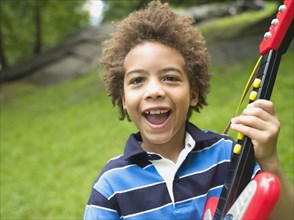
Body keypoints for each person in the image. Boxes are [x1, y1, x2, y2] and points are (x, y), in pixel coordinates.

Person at [84, 1, 293, 219]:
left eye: (170, 78)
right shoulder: (110, 186)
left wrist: (269, 160)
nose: (154, 91)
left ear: (193, 94)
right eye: (138, 80)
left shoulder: (227, 156)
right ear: (123, 99)